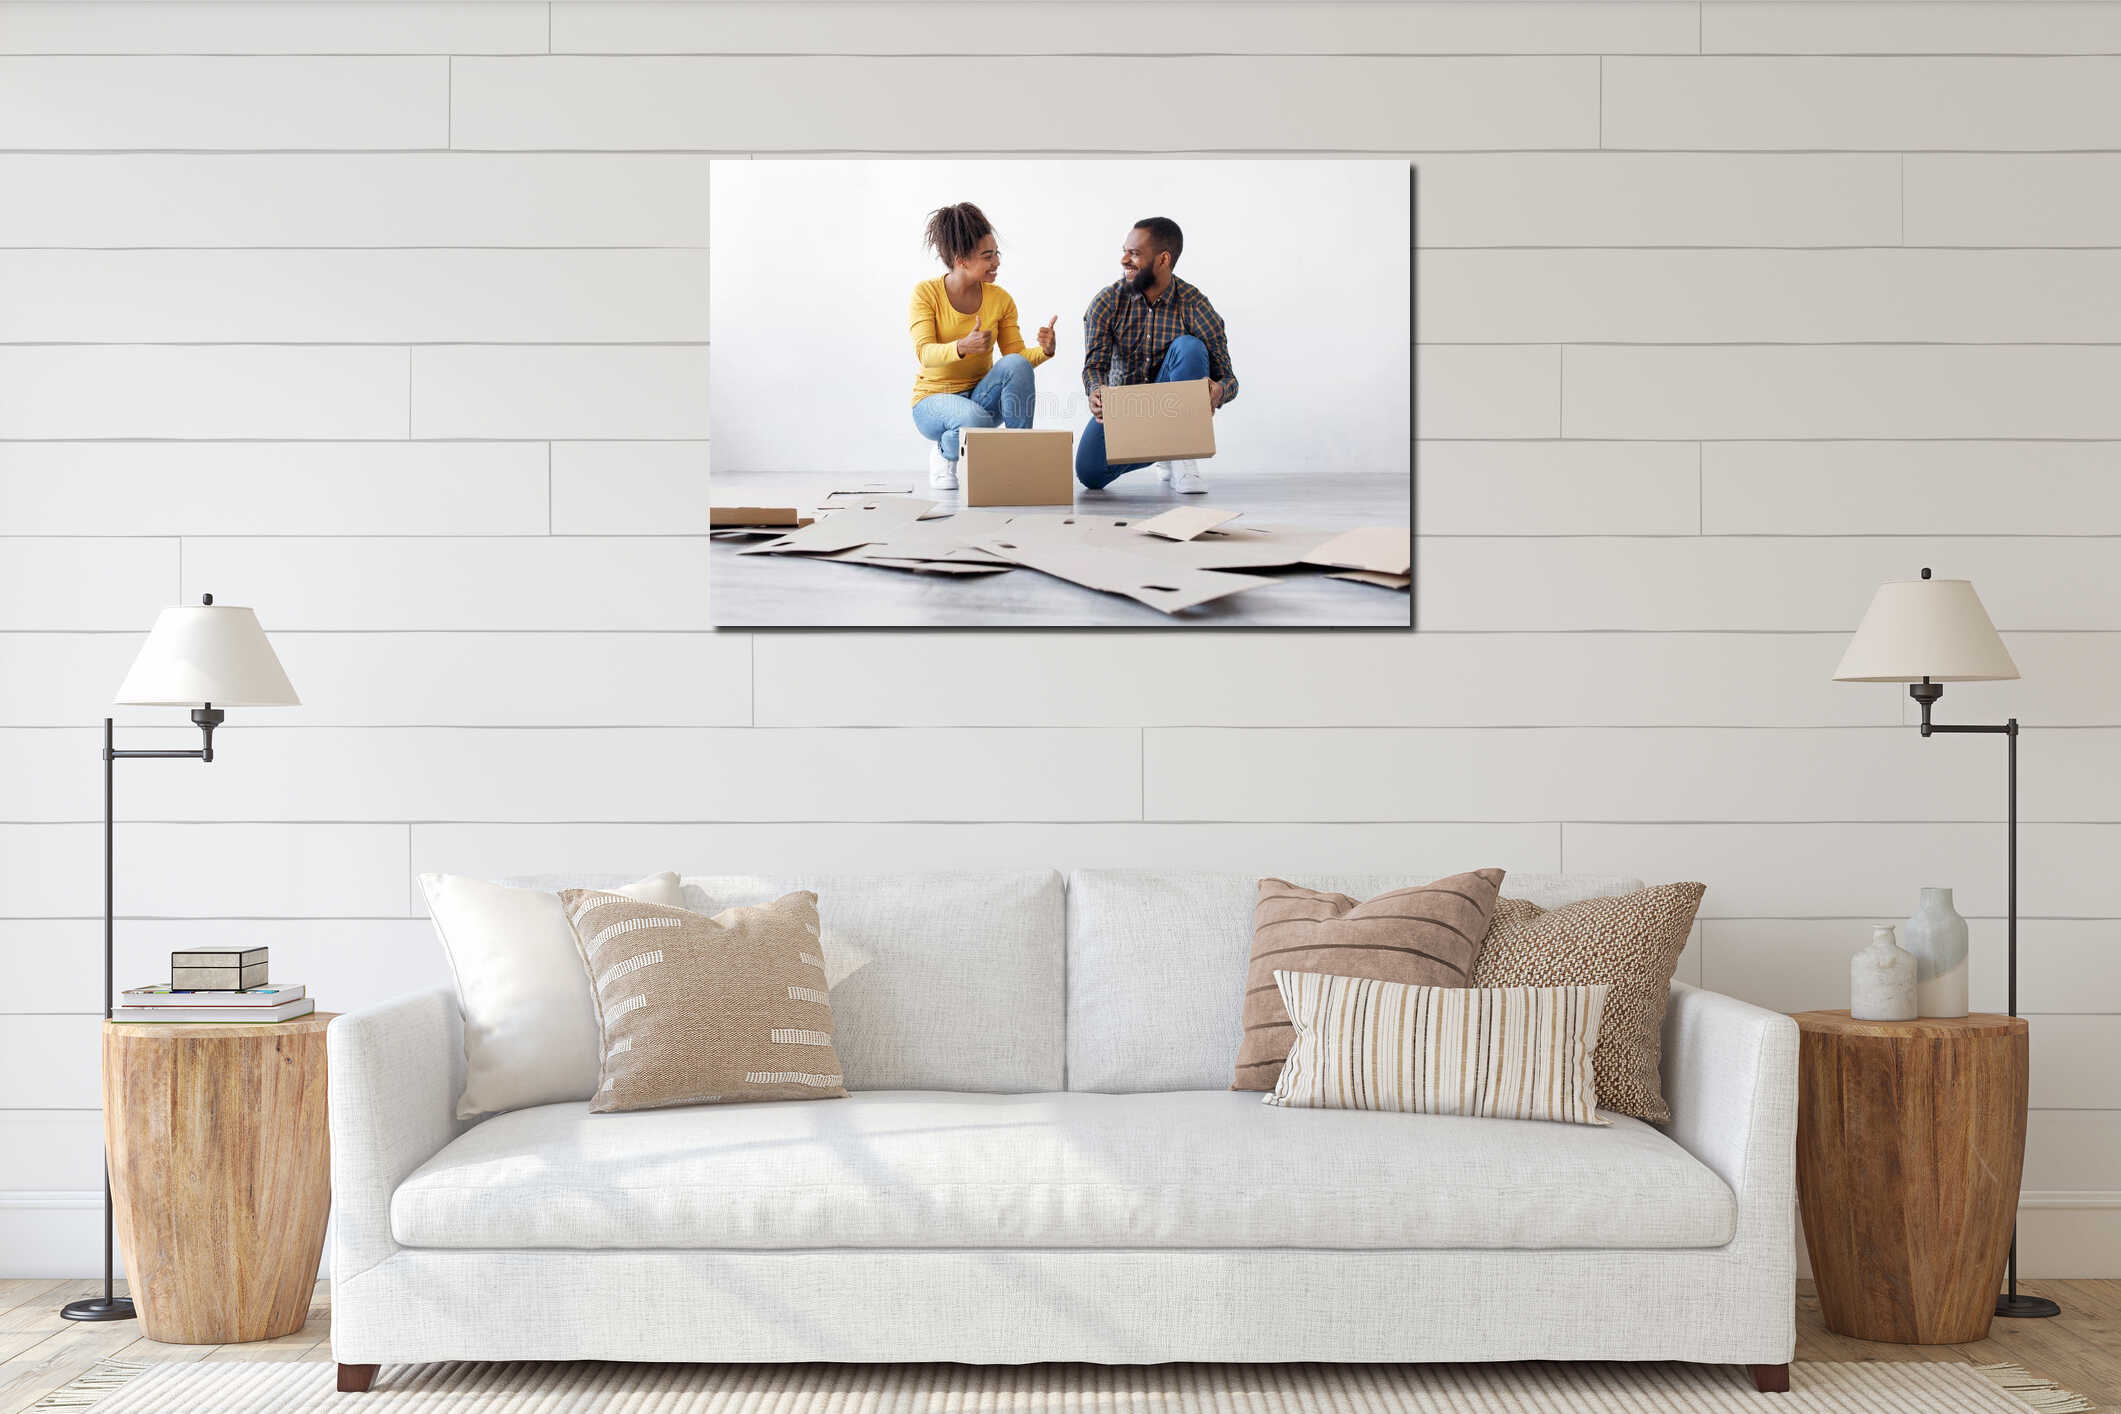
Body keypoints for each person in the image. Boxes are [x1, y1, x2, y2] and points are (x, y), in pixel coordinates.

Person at [1076, 216, 1238, 494]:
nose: (1124, 260)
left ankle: (1182, 457)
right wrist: (1096, 391)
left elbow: (1228, 378)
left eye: (1134, 253)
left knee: (1189, 347)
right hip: (1127, 411)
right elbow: (1094, 366)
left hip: (1174, 408)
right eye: (1124, 251)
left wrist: (1218, 391)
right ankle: (1165, 448)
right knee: (1090, 474)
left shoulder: (1195, 305)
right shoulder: (1107, 302)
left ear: (1164, 259)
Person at [907, 202, 1057, 491]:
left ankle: (1017, 460)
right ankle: (945, 451)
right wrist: (961, 347)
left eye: (996, 253)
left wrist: (1045, 351)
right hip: (932, 401)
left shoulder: (1000, 298)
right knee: (972, 417)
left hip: (981, 396)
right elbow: (924, 353)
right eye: (987, 256)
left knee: (1015, 366)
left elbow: (1016, 359)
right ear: (961, 259)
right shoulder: (925, 294)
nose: (996, 262)